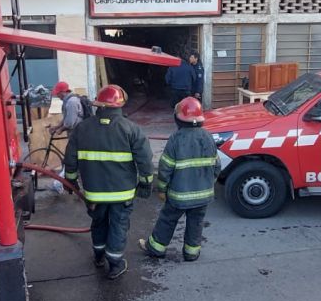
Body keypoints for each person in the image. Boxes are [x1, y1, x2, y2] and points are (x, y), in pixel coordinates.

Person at [63, 84, 153, 280]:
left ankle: (98, 257)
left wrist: (70, 181)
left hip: (94, 193)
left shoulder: (82, 128)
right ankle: (115, 265)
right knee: (118, 226)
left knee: (99, 223)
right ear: (120, 106)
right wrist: (146, 182)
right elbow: (145, 159)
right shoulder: (131, 129)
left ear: (98, 106)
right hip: (123, 193)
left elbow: (70, 158)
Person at [140, 97, 219, 262]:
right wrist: (207, 184)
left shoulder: (176, 139)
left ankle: (156, 248)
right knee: (196, 222)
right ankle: (191, 253)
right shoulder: (208, 137)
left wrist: (161, 189)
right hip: (203, 195)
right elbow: (216, 166)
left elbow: (165, 167)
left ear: (178, 118)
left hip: (179, 195)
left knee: (167, 220)